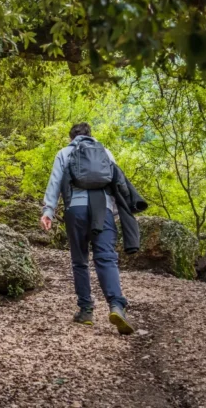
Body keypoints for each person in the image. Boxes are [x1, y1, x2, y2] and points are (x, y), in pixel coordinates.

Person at [40, 122, 134, 335]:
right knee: (106, 258)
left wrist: (48, 212)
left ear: (70, 138)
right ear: (90, 136)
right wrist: (117, 213)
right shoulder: (105, 151)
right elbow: (117, 183)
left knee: (80, 260)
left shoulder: (64, 152)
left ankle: (86, 310)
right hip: (104, 209)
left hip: (76, 209)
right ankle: (117, 305)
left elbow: (55, 183)